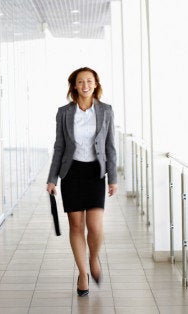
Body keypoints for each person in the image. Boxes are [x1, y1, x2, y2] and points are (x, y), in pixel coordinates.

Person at [46, 67, 117, 297]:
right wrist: (52, 179)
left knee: (95, 227)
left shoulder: (105, 111)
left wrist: (113, 179)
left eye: (89, 81)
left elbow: (110, 147)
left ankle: (94, 258)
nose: (85, 85)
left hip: (95, 173)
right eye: (80, 81)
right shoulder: (64, 113)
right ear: (74, 86)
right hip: (72, 173)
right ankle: (83, 274)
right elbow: (59, 147)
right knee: (76, 226)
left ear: (96, 84)